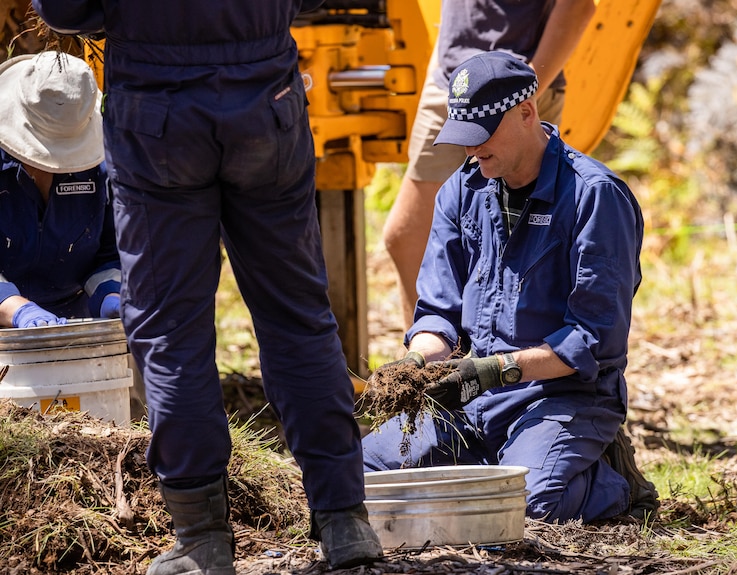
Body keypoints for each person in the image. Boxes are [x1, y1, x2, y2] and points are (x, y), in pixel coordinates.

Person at [33, 2, 382, 573]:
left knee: (171, 330)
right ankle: (344, 519)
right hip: (267, 103)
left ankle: (202, 538)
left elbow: (67, 10)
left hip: (157, 115)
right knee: (296, 315)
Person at [364, 52, 659, 524]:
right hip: (472, 399)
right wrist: (417, 364)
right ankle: (490, 472)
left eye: (481, 137)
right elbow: (438, 311)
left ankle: (612, 482)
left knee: (525, 507)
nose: (470, 152)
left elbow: (593, 339)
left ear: (527, 112)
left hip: (563, 397)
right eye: (462, 137)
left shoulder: (594, 196)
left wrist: (498, 370)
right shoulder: (461, 192)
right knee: (363, 474)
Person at [383, 0, 597, 330]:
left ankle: (526, 363)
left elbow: (578, 6)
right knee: (407, 235)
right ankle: (433, 365)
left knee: (521, 251)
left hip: (509, 91)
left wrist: (525, 91)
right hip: (449, 80)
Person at [0, 51, 120, 330]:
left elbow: (110, 252)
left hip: (72, 322)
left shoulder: (101, 171)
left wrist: (111, 295)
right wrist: (15, 308)